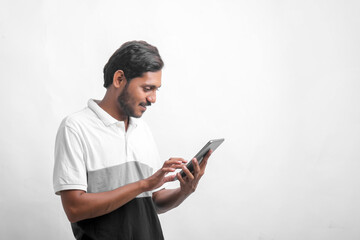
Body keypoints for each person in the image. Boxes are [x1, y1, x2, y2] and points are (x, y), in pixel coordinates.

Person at [53, 40, 212, 240]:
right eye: (147, 88)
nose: (153, 98)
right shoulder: (75, 127)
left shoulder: (142, 129)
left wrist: (184, 191)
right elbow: (74, 208)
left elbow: (152, 201)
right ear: (119, 78)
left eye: (156, 90)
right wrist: (143, 184)